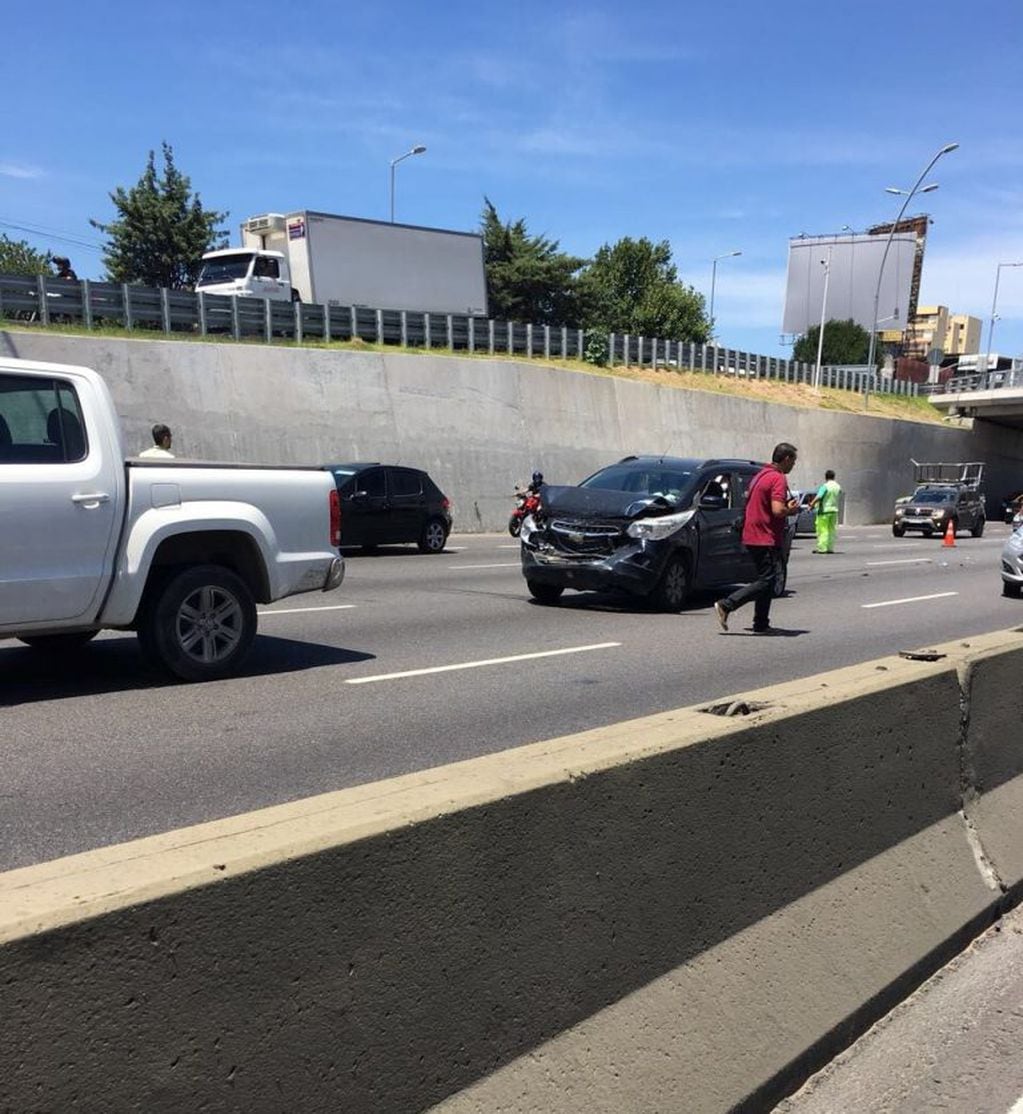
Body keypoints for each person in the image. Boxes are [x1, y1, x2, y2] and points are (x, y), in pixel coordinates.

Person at [714, 442, 800, 635]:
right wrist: (792, 509)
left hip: (752, 533)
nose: (793, 466)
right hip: (765, 536)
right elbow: (778, 510)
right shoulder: (777, 478)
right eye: (793, 462)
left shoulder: (760, 475)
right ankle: (727, 605)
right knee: (767, 581)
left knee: (766, 580)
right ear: (786, 459)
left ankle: (761, 623)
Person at [810, 469, 842, 554]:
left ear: (826, 477)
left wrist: (812, 504)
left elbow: (819, 497)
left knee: (822, 530)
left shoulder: (825, 486)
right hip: (834, 511)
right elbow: (839, 494)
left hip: (824, 511)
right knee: (831, 530)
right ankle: (830, 548)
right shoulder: (837, 486)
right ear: (834, 477)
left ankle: (822, 548)